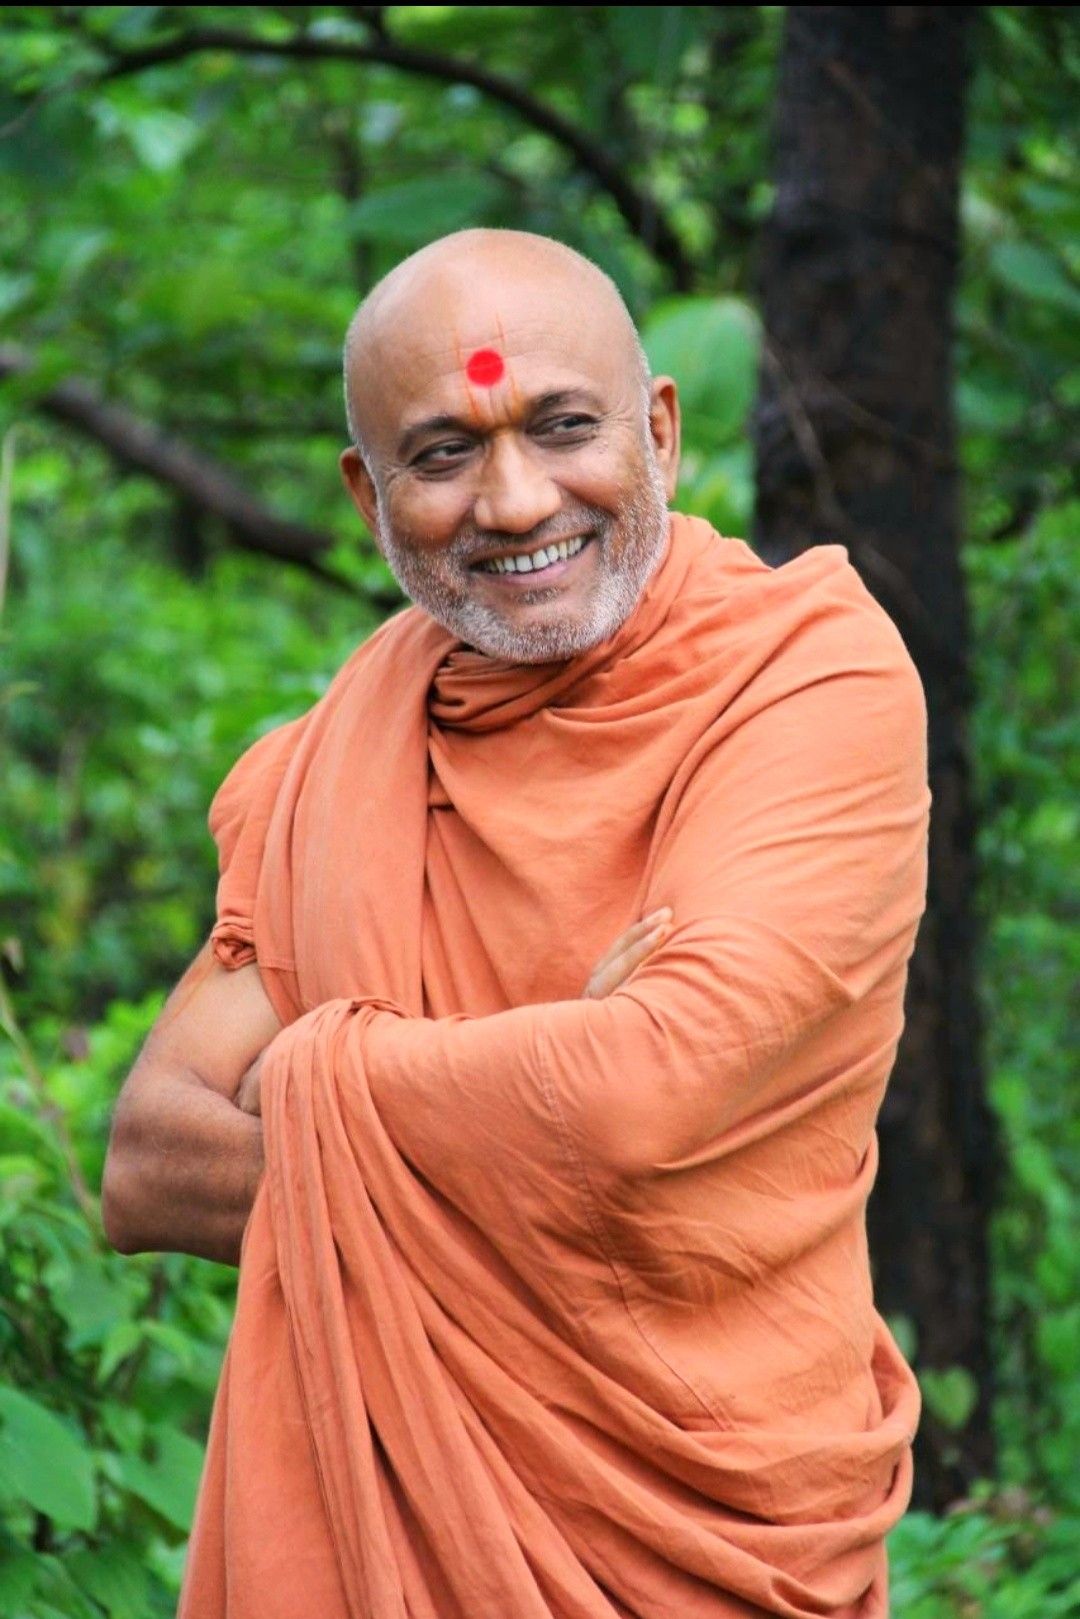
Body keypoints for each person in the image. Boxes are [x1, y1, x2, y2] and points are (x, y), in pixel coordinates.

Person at [103, 229, 929, 1618]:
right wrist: (551, 1095)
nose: (514, 497)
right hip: (388, 1534)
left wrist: (321, 1073)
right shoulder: (340, 757)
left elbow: (638, 1101)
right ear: (369, 490)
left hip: (718, 1529)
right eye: (442, 453)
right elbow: (147, 1159)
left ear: (657, 428)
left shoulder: (803, 684)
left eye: (562, 425)